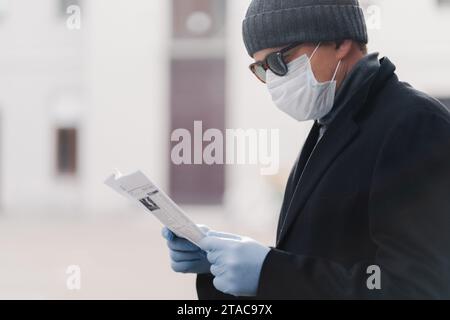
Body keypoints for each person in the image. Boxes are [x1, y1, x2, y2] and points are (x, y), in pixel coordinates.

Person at [162, 0, 450, 299]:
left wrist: (269, 272)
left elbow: (419, 287)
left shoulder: (414, 124)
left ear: (340, 41)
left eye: (279, 61)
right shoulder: (329, 125)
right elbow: (319, 256)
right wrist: (220, 264)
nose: (273, 80)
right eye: (262, 69)